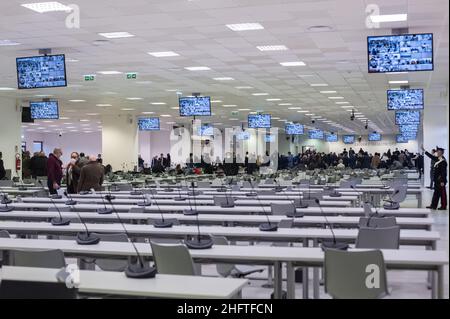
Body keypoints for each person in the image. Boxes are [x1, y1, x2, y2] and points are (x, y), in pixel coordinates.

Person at [422, 146, 447, 210]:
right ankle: (433, 205)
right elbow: (431, 156)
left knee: (442, 194)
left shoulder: (443, 161)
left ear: (442, 153)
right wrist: (424, 150)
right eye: (437, 152)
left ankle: (443, 206)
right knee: (436, 193)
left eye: (439, 152)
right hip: (436, 180)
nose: (437, 153)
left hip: (441, 181)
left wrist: (442, 181)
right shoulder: (438, 159)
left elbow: (443, 172)